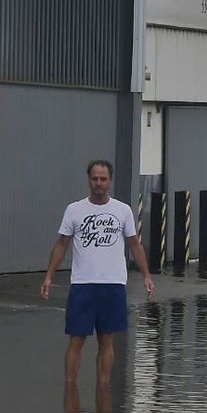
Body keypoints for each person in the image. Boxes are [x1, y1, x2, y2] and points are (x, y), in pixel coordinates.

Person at [41, 159, 154, 388]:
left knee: (106, 339)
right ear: (89, 180)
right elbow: (62, 244)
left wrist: (146, 275)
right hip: (83, 284)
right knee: (76, 339)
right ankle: (70, 388)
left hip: (112, 284)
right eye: (95, 179)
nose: (99, 183)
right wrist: (49, 275)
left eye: (103, 179)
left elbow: (134, 245)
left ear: (110, 181)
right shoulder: (74, 210)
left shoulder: (122, 210)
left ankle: (103, 388)